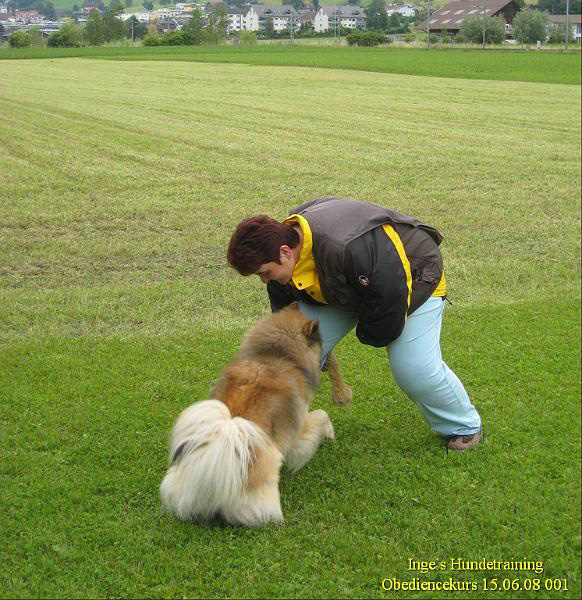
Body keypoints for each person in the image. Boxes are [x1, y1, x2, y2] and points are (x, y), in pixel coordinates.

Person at [226, 196, 482, 452]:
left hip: (411, 280)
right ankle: (265, 435)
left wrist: (368, 333)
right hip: (347, 286)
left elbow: (390, 296)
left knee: (413, 368)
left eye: (263, 272)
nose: (263, 280)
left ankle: (464, 426)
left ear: (285, 252)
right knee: (285, 352)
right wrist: (307, 347)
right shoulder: (284, 247)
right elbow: (284, 305)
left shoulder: (347, 245)